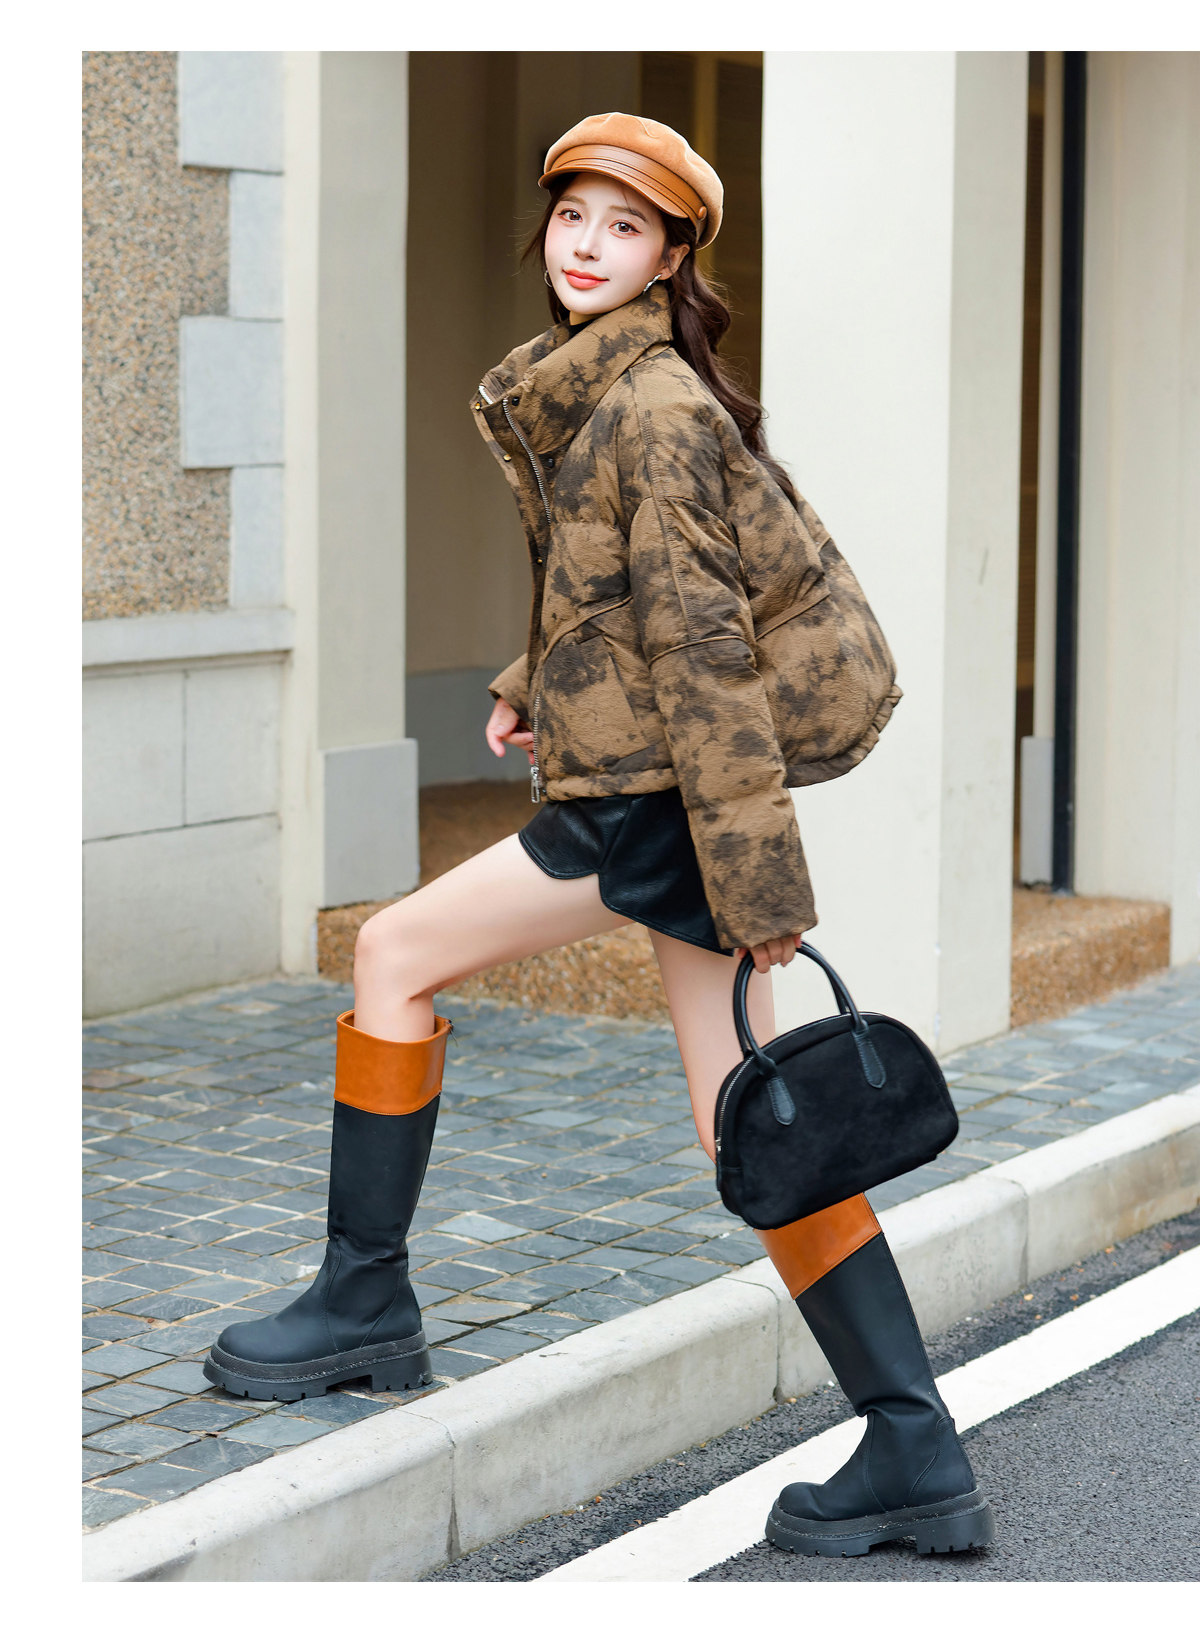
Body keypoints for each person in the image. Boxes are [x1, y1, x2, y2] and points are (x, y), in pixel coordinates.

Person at [203, 112, 993, 1559]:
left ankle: (365, 1300)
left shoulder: (650, 409)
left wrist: (760, 881)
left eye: (625, 225)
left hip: (655, 805)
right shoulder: (609, 388)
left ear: (672, 255)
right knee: (746, 1114)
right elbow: (614, 593)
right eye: (574, 212)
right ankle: (913, 1448)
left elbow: (705, 650)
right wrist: (532, 682)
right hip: (655, 793)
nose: (587, 242)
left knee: (393, 956)